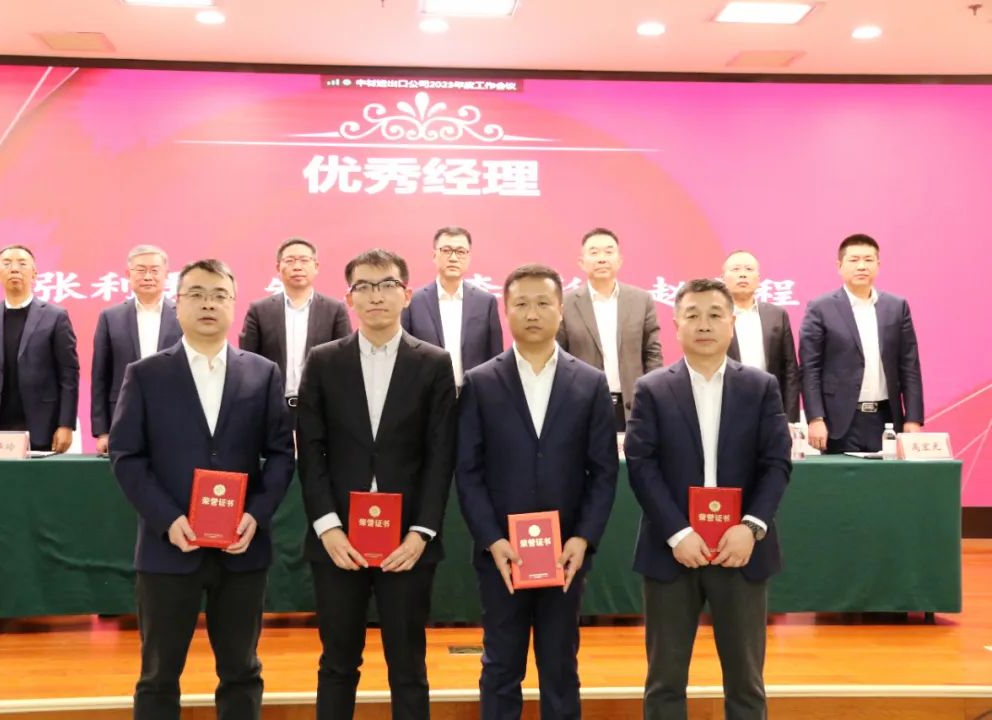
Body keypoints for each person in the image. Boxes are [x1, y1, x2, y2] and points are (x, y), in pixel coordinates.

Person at [110, 258, 294, 720]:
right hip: (168, 548)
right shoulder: (146, 374)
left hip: (242, 549)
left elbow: (280, 454)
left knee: (242, 671)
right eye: (196, 294)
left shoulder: (262, 373)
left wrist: (256, 515)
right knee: (158, 676)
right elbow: (127, 456)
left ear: (234, 305)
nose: (208, 304)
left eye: (219, 295)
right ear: (177, 303)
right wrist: (168, 519)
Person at [297, 249, 457, 720]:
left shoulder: (434, 363)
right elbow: (311, 450)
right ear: (349, 299)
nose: (376, 296)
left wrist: (421, 532)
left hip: (407, 541)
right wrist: (327, 527)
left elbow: (440, 456)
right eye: (363, 287)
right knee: (337, 663)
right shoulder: (323, 361)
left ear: (406, 294)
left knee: (408, 666)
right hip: (338, 539)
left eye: (387, 284)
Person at [456, 264, 617, 720]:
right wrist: (492, 539)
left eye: (543, 303)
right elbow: (467, 471)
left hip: (565, 554)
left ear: (561, 310)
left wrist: (582, 538)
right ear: (505, 310)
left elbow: (603, 471)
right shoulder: (481, 382)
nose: (532, 313)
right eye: (521, 304)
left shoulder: (590, 382)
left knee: (560, 666)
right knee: (500, 665)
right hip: (502, 556)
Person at [625, 278, 791, 720]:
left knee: (746, 683)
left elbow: (776, 463)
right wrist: (677, 533)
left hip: (741, 551)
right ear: (676, 324)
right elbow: (641, 465)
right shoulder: (652, 388)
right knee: (664, 682)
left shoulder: (760, 387)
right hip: (672, 550)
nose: (704, 325)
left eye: (715, 315)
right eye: (693, 315)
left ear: (731, 322)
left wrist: (751, 527)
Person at [799, 234, 924, 452]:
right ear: (839, 266)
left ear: (878, 265)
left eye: (868, 260)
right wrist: (815, 418)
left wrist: (913, 419)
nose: (862, 266)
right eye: (854, 260)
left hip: (887, 420)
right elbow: (810, 368)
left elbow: (909, 366)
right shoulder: (820, 308)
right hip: (839, 422)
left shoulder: (896, 307)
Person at [0, 244, 79, 453]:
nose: (14, 269)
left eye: (22, 264)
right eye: (7, 264)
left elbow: (69, 375)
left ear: (34, 274)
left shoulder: (55, 317)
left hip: (42, 425)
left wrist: (66, 424)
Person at [557, 227, 663, 431]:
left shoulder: (641, 300)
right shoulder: (566, 303)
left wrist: (652, 396)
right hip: (582, 405)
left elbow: (652, 353)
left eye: (608, 251)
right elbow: (559, 355)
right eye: (594, 252)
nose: (602, 259)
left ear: (619, 260)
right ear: (581, 262)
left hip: (632, 405)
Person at [239, 237, 351, 425]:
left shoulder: (335, 310)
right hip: (271, 407)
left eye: (304, 260)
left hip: (320, 409)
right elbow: (248, 361)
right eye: (290, 261)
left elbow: (344, 361)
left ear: (316, 266)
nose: (297, 267)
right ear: (278, 267)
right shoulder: (259, 310)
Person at [91, 244, 182, 454]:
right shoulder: (110, 317)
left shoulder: (183, 315)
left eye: (154, 270)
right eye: (141, 270)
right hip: (123, 415)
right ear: (128, 274)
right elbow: (100, 377)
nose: (148, 276)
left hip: (176, 415)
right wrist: (102, 431)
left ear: (166, 274)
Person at [401, 226, 503, 388]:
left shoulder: (486, 302)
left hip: (473, 394)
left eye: (460, 252)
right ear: (434, 255)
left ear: (468, 257)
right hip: (427, 395)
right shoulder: (413, 302)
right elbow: (404, 356)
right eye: (446, 250)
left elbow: (496, 358)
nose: (453, 258)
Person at [721, 250, 801, 422]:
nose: (743, 274)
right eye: (736, 269)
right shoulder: (715, 316)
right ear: (723, 278)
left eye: (749, 269)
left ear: (758, 278)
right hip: (727, 408)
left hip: (770, 407)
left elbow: (790, 371)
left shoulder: (777, 315)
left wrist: (790, 419)